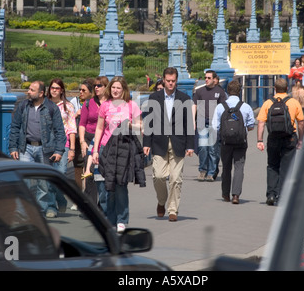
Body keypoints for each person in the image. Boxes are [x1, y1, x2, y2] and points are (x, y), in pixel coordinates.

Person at [143, 67, 195, 222]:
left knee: (176, 178)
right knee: (158, 176)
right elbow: (149, 122)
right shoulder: (154, 98)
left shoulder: (185, 99)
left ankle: (173, 209)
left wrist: (190, 145)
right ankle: (161, 201)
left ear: (176, 81)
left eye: (173, 81)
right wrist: (146, 143)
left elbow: (189, 124)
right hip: (158, 142)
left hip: (179, 143)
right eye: (168, 81)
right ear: (163, 80)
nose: (171, 83)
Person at [8, 81, 66, 218]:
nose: (28, 92)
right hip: (25, 147)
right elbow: (15, 127)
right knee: (24, 180)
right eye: (29, 89)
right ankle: (25, 210)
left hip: (45, 148)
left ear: (41, 93)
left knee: (44, 181)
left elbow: (59, 131)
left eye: (32, 90)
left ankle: (47, 207)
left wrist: (58, 151)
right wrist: (13, 147)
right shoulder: (23, 106)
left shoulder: (51, 108)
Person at [92, 76, 143, 233]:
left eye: (118, 88)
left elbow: (140, 127)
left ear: (124, 90)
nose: (115, 90)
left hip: (124, 149)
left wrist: (129, 124)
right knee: (108, 186)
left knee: (121, 185)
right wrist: (95, 150)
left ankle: (122, 219)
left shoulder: (131, 106)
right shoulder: (105, 105)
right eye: (113, 87)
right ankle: (110, 219)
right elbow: (99, 128)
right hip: (106, 148)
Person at [256, 78, 304, 206]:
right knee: (287, 168)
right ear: (287, 89)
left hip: (273, 138)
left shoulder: (268, 103)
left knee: (272, 165)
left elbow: (261, 123)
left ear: (275, 89)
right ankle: (282, 196)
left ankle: (271, 194)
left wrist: (259, 140)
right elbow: (301, 123)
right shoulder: (294, 102)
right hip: (289, 138)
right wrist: (300, 140)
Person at [212, 80, 254, 204]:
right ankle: (235, 195)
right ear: (239, 92)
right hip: (241, 141)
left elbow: (215, 126)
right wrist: (242, 130)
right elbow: (251, 125)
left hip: (225, 142)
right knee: (239, 167)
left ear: (228, 92)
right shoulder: (245, 107)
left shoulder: (221, 106)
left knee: (226, 167)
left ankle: (225, 194)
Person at [46, 78, 77, 214]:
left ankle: (61, 200)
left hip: (63, 144)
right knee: (48, 176)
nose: (54, 90)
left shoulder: (68, 106)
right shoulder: (44, 105)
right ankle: (52, 206)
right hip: (47, 145)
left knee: (61, 173)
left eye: (57, 88)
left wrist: (72, 149)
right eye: (52, 88)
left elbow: (71, 128)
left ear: (62, 90)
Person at [192, 70, 227, 182]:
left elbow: (223, 109)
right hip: (202, 121)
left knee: (213, 149)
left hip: (214, 123)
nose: (206, 80)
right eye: (205, 78)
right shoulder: (200, 91)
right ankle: (202, 170)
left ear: (214, 80)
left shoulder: (220, 92)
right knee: (202, 148)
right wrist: (193, 120)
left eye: (209, 78)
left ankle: (211, 172)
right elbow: (194, 106)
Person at [79, 76, 109, 206]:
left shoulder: (111, 103)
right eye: (95, 86)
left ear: (106, 87)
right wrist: (82, 142)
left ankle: (102, 204)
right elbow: (82, 124)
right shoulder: (88, 103)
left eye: (99, 85)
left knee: (103, 173)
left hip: (106, 140)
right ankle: (90, 205)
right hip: (90, 138)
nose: (96, 88)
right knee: (89, 172)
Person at [69, 79, 93, 210]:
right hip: (78, 138)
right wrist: (76, 114)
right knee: (78, 168)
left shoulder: (94, 103)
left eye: (84, 90)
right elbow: (68, 118)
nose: (80, 92)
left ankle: (90, 195)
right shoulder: (74, 102)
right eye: (80, 90)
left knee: (90, 168)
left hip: (91, 138)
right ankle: (79, 197)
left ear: (91, 92)